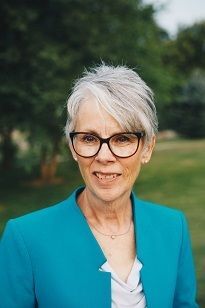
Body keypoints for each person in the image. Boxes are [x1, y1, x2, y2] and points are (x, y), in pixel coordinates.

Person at [0, 64, 198, 308]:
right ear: (73, 146)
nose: (104, 156)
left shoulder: (172, 227)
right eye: (89, 138)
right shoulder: (25, 240)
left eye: (122, 138)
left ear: (147, 148)